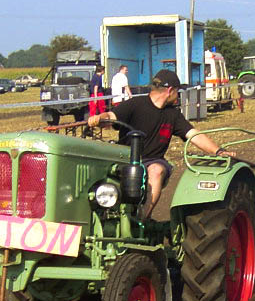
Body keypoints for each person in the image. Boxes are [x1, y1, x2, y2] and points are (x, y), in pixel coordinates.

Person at [87, 69, 232, 218]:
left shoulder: (173, 114)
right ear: (170, 91)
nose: (177, 96)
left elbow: (193, 135)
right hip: (125, 160)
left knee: (156, 171)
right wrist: (99, 118)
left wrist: (218, 151)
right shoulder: (135, 104)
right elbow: (111, 116)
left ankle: (141, 219)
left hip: (153, 161)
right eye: (177, 92)